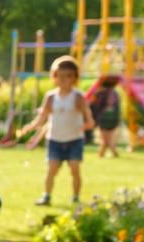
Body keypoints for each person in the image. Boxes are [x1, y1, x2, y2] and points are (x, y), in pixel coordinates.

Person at [20, 55, 94, 206]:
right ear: (54, 77)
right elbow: (42, 119)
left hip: (74, 140)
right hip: (54, 140)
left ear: (75, 78)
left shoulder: (78, 97)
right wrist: (30, 127)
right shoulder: (51, 97)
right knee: (52, 169)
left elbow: (90, 121)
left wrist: (84, 127)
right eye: (60, 76)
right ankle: (46, 196)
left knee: (74, 168)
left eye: (68, 76)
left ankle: (75, 198)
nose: (64, 80)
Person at [89, 75, 123, 158]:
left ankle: (105, 154)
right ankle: (103, 153)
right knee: (108, 137)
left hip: (103, 117)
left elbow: (95, 105)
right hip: (113, 118)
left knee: (105, 139)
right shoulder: (115, 93)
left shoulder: (101, 93)